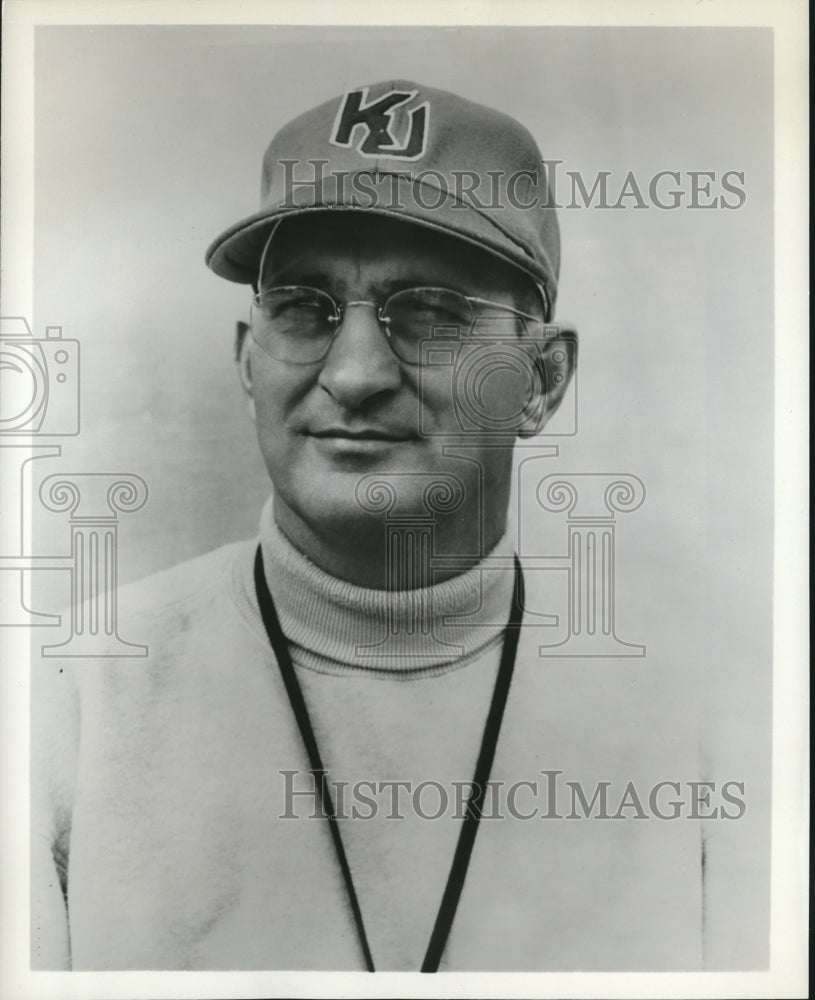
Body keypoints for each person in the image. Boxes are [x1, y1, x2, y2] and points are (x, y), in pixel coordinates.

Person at [32, 79, 711, 972]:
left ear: (541, 381)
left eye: (429, 310)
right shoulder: (69, 698)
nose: (354, 374)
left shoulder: (687, 731)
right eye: (304, 308)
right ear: (246, 364)